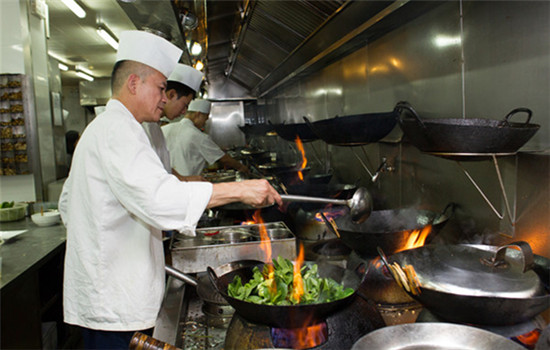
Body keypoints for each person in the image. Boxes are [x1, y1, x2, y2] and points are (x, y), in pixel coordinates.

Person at [58, 30, 281, 350]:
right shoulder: (118, 131)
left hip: (112, 294)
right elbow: (159, 197)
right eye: (161, 88)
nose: (165, 97)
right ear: (134, 83)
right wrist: (239, 189)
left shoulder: (113, 127)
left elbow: (71, 205)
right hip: (114, 302)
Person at [142, 63, 205, 181]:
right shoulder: (141, 125)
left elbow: (163, 166)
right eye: (184, 105)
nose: (184, 111)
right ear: (171, 94)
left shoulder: (155, 126)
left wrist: (185, 179)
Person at [162, 99, 249, 176]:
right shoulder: (197, 135)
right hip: (189, 185)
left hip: (167, 183)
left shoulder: (164, 129)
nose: (204, 123)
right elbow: (224, 159)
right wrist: (242, 168)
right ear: (198, 114)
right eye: (205, 119)